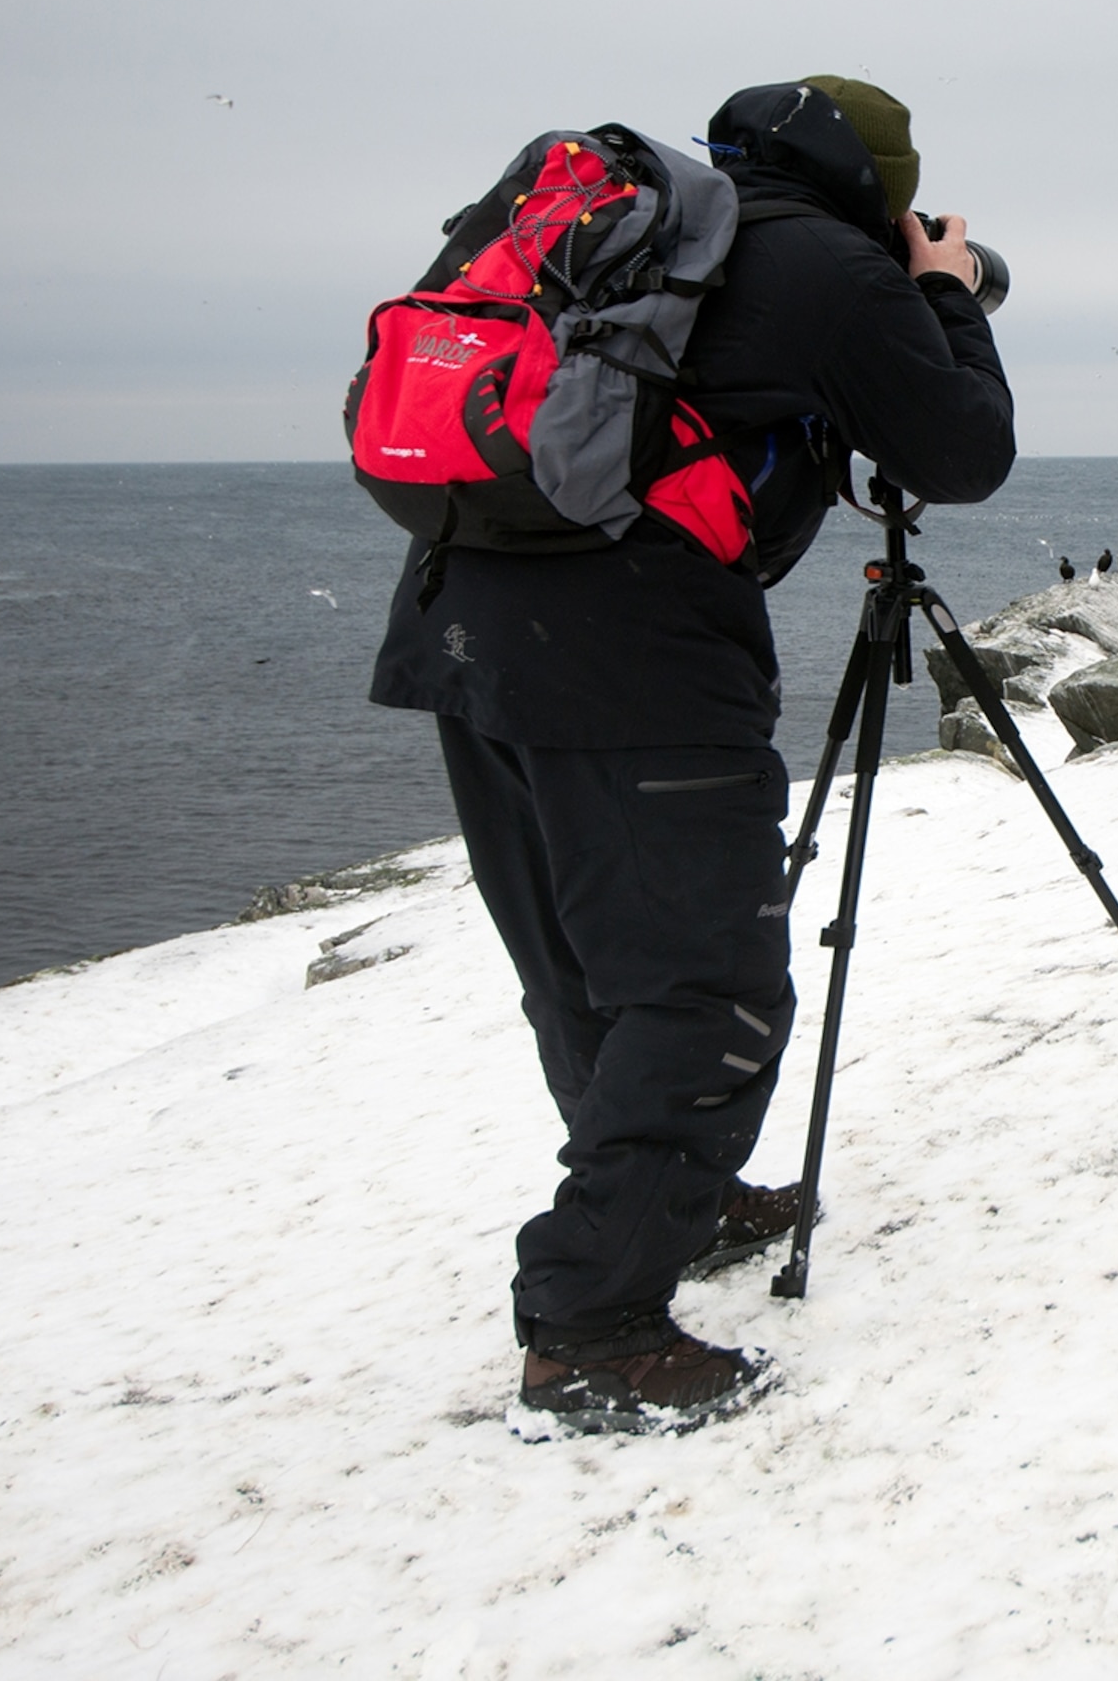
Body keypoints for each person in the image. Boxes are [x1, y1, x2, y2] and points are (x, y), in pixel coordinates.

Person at [368, 77, 1014, 1433]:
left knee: (586, 966)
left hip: (462, 623)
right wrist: (945, 289)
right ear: (879, 183)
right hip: (633, 659)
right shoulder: (831, 264)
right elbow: (961, 450)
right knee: (709, 988)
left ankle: (680, 1198)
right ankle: (591, 1323)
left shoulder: (636, 230)